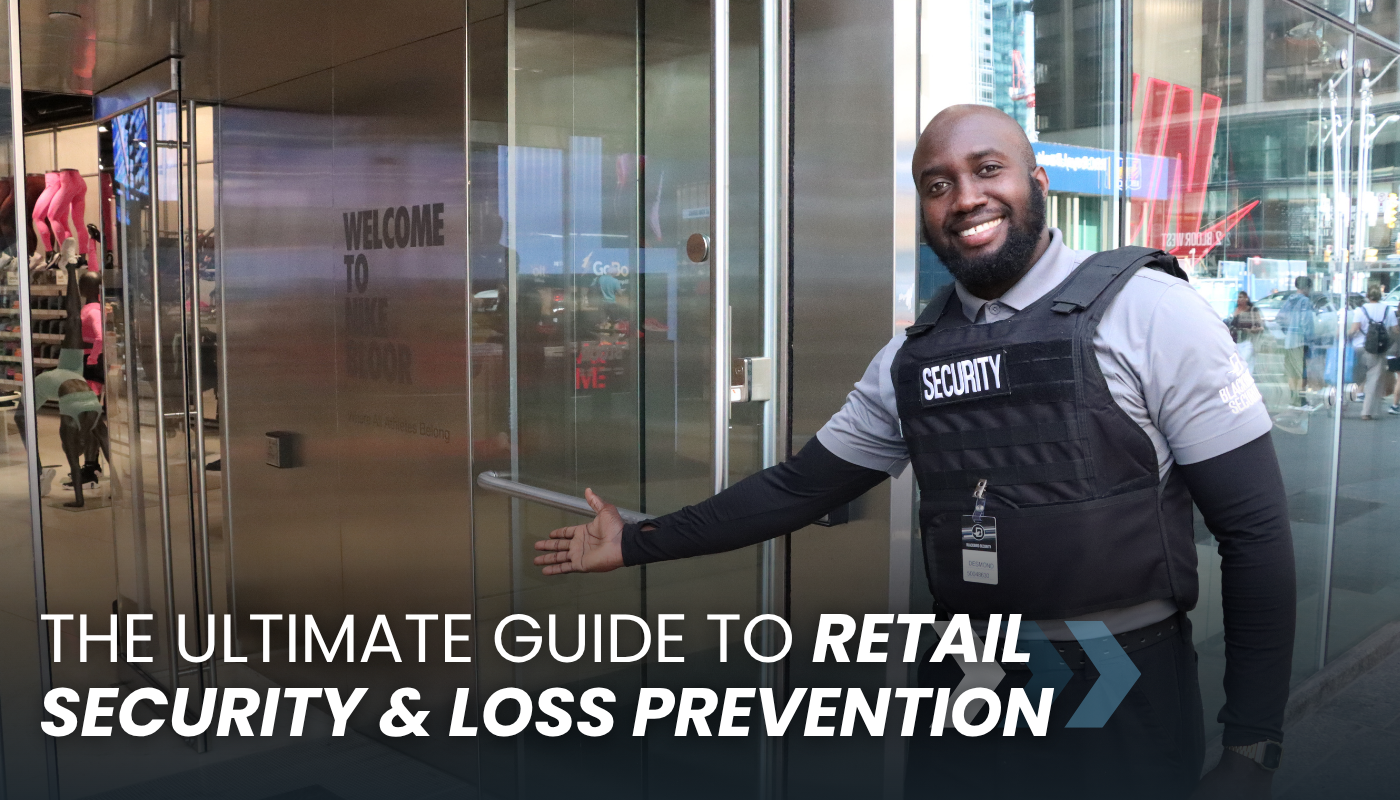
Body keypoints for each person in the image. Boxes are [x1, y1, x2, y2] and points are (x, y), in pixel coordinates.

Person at [533, 106, 1293, 800]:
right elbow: (800, 486)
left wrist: (1251, 746)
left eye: (987, 169)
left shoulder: (1150, 311)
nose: (965, 197)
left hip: (1118, 673)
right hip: (971, 676)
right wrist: (639, 540)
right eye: (938, 184)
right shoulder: (913, 357)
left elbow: (1254, 533)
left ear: (1038, 181)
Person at [1349, 285, 1397, 420]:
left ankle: (1344, 403)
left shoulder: (1360, 310)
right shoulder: (1389, 311)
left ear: (1367, 296)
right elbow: (1395, 330)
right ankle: (1366, 412)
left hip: (1359, 348)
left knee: (1353, 377)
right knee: (1373, 381)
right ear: (1380, 296)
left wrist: (1343, 336)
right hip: (1378, 350)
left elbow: (1354, 330)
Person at [1277, 276, 1315, 404]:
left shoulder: (1289, 300)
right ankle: (1301, 398)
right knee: (1302, 370)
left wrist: (1288, 331)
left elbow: (1280, 319)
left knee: (1292, 370)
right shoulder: (1305, 301)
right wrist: (1310, 338)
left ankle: (1293, 397)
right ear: (1306, 287)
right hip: (1301, 341)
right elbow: (1307, 322)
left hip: (1289, 341)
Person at [1228, 290, 1264, 374]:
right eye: (1237, 298)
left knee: (1242, 364)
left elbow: (1261, 326)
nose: (1239, 300)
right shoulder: (1234, 310)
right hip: (1235, 342)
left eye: (1241, 297)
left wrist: (1251, 330)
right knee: (1241, 365)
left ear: (1246, 298)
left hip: (1249, 341)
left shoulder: (1253, 311)